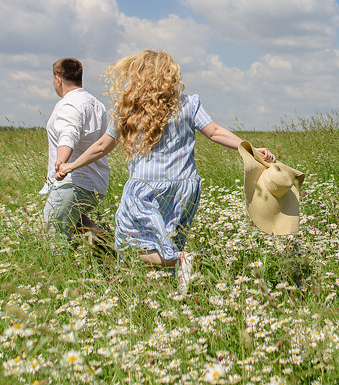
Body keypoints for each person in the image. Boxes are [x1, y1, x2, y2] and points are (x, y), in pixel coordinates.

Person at [56, 50, 274, 294]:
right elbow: (215, 132)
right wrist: (250, 148)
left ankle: (183, 260)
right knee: (167, 242)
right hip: (184, 187)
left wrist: (71, 165)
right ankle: (179, 289)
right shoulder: (189, 104)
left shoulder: (128, 109)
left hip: (144, 187)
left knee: (129, 247)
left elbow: (101, 146)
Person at [41, 57, 110, 251]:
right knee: (79, 224)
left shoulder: (69, 104)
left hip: (73, 181)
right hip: (95, 182)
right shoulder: (96, 104)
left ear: (58, 80)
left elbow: (68, 135)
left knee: (53, 231)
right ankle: (109, 250)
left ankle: (60, 275)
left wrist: (61, 162)